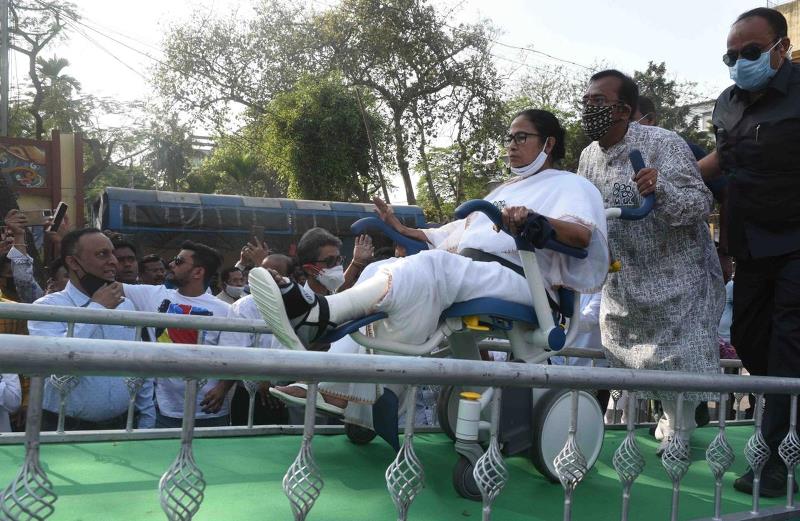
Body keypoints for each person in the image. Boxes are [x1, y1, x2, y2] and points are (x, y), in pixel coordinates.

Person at [257, 109, 609, 416]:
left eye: (521, 137)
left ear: (548, 144)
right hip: (477, 271)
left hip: (524, 279)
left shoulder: (571, 185)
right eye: (508, 138)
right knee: (378, 269)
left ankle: (321, 316)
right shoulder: (503, 191)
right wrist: (398, 227)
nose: (511, 145)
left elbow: (582, 236)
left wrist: (536, 220)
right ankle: (340, 385)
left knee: (433, 267)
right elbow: (452, 232)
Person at [576, 69, 724, 455]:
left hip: (679, 275)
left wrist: (661, 188)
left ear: (624, 110)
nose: (589, 108)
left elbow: (700, 202)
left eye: (599, 102)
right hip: (625, 277)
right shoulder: (588, 157)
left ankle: (680, 429)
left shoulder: (664, 143)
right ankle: (669, 413)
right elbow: (585, 211)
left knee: (678, 356)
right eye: (586, 101)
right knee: (632, 356)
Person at [698, 7, 800, 497]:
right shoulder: (726, 104)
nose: (741, 62)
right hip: (750, 247)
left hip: (798, 243)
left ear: (780, 48)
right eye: (732, 55)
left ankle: (776, 458)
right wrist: (670, 180)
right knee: (748, 336)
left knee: (787, 342)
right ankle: (790, 416)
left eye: (752, 52)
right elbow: (721, 166)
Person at [27, 228, 156, 430]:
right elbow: (58, 362)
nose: (114, 261)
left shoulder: (126, 305)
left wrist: (147, 417)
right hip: (63, 428)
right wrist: (97, 309)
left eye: (112, 253)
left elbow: (138, 362)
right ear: (73, 262)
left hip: (122, 426)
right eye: (102, 254)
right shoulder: (46, 308)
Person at [121, 241, 232, 428]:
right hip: (164, 410)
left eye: (179, 261)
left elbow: (237, 356)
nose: (171, 264)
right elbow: (105, 285)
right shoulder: (152, 295)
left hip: (210, 412)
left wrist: (223, 388)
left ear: (198, 272)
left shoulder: (226, 311)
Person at [219, 254, 295, 426]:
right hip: (249, 394)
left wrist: (275, 381)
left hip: (288, 392)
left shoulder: (298, 305)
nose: (269, 278)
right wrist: (261, 380)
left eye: (275, 274)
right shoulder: (242, 306)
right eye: (264, 273)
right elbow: (235, 351)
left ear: (288, 278)